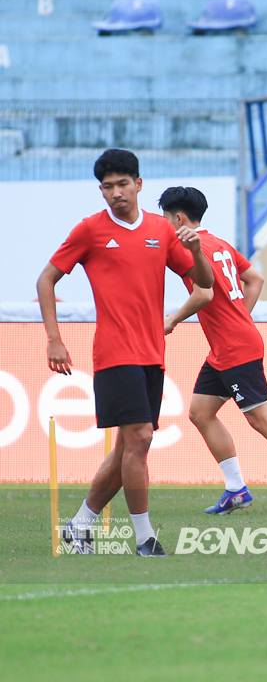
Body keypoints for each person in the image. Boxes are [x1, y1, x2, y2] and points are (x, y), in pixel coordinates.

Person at [37, 149, 214, 557]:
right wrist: (53, 338)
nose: (116, 193)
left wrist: (198, 250)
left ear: (139, 183)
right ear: (101, 190)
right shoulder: (90, 230)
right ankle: (145, 538)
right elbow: (46, 280)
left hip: (153, 352)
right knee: (140, 438)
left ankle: (78, 525)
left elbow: (203, 284)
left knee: (128, 449)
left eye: (122, 184)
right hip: (115, 353)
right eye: (107, 186)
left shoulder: (161, 230)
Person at [159, 186, 267, 517]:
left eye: (166, 218)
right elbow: (255, 279)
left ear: (178, 218)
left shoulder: (189, 249)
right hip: (227, 345)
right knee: (200, 411)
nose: (165, 225)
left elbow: (204, 294)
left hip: (235, 346)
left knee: (261, 418)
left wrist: (173, 319)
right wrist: (241, 316)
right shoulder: (220, 244)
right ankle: (236, 489)